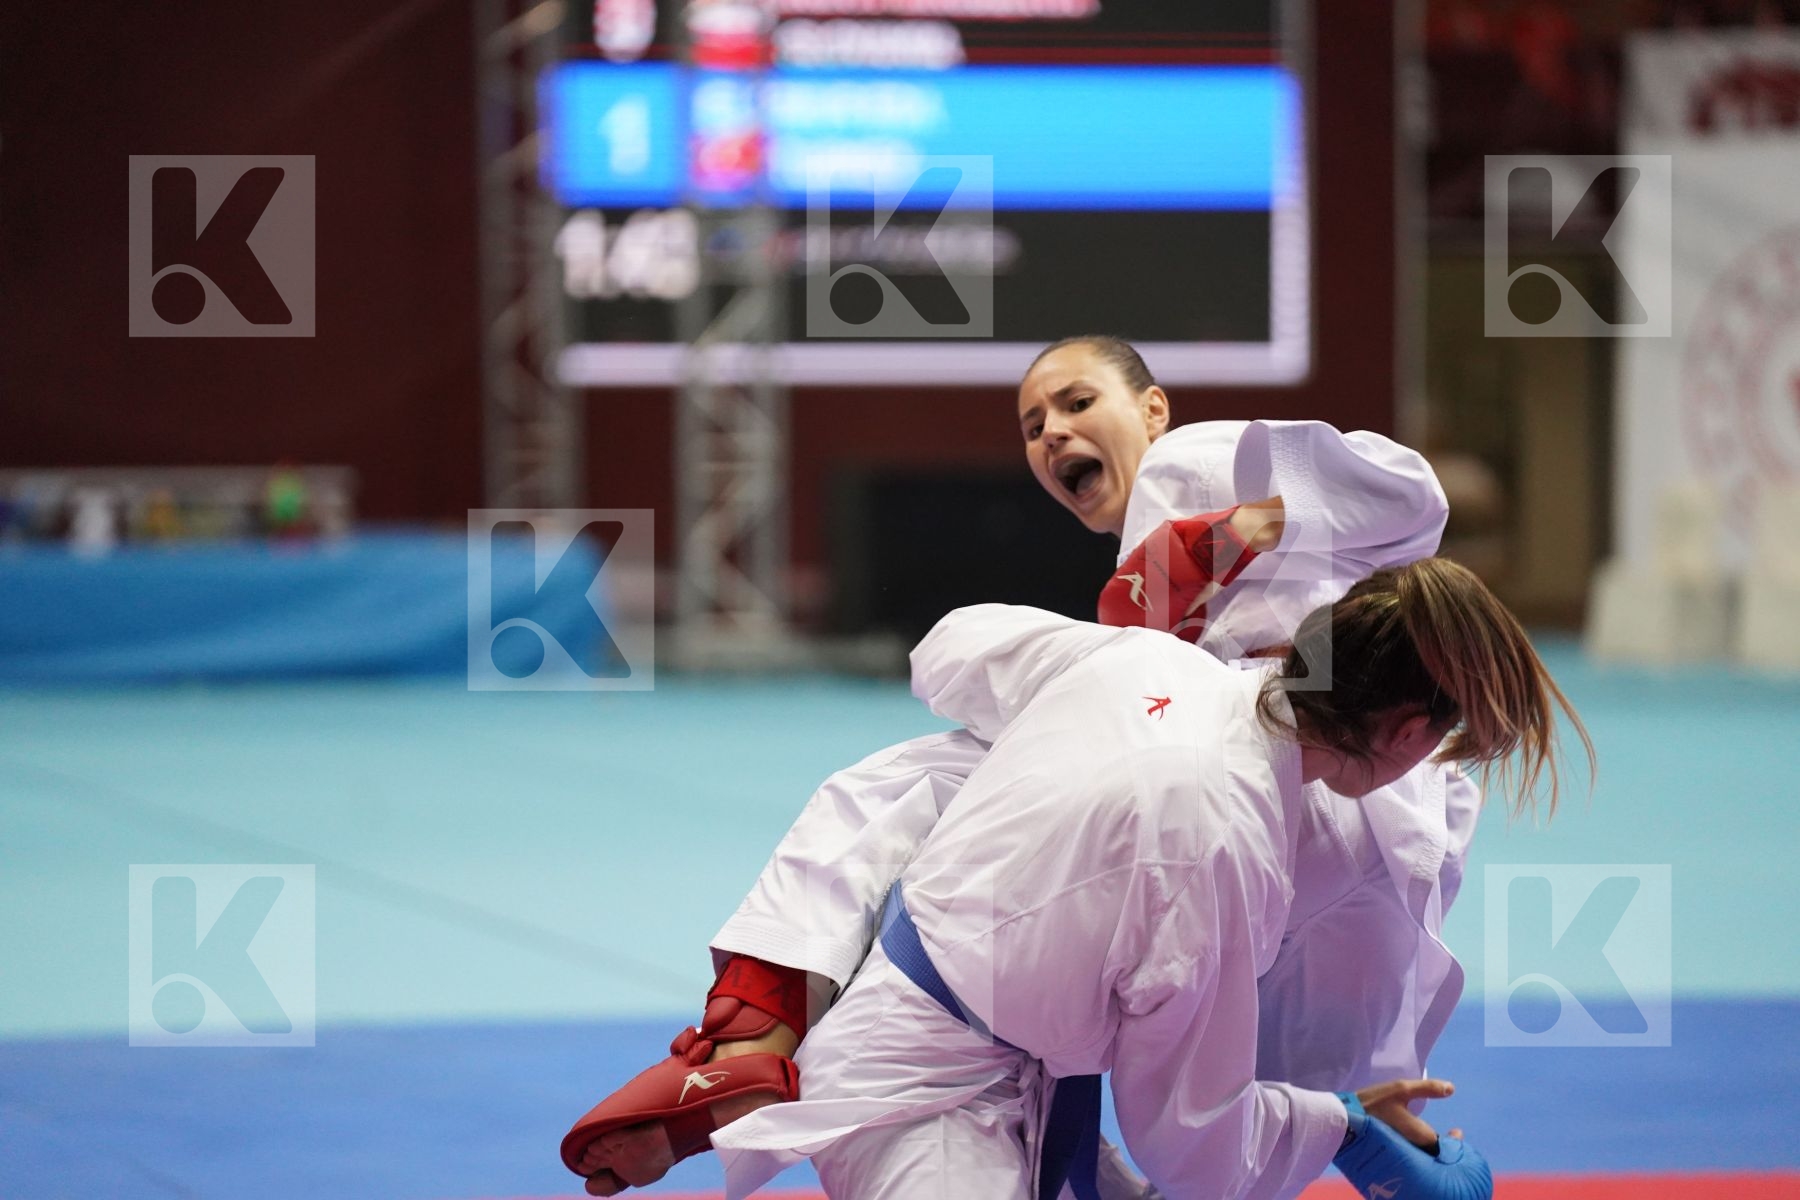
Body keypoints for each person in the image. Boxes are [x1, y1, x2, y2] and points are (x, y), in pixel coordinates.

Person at [563, 338, 1478, 1194]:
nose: (1055, 433)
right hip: (1321, 810)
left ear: (1154, 409)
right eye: (1034, 425)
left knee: (908, 785)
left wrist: (1254, 521)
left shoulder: (1193, 464)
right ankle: (1367, 1129)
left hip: (1319, 789)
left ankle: (748, 1031)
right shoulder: (1146, 599)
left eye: (1079, 402)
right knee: (1144, 1015)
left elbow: (1416, 499)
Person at [710, 559, 1587, 1198]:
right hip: (927, 1102)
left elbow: (947, 651)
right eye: (1435, 744)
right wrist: (1346, 1130)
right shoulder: (1224, 846)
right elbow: (1192, 1151)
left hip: (988, 1054)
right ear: (1403, 732)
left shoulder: (1149, 662)